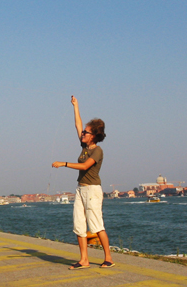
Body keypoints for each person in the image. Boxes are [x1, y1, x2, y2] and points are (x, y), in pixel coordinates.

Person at [52, 95, 114, 270]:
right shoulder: (85, 147)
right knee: (79, 224)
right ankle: (84, 260)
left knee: (96, 225)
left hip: (93, 191)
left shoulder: (97, 151)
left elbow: (85, 166)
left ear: (93, 136)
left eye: (86, 132)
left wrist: (63, 163)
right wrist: (75, 105)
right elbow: (78, 124)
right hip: (80, 189)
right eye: (84, 132)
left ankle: (108, 257)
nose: (83, 133)